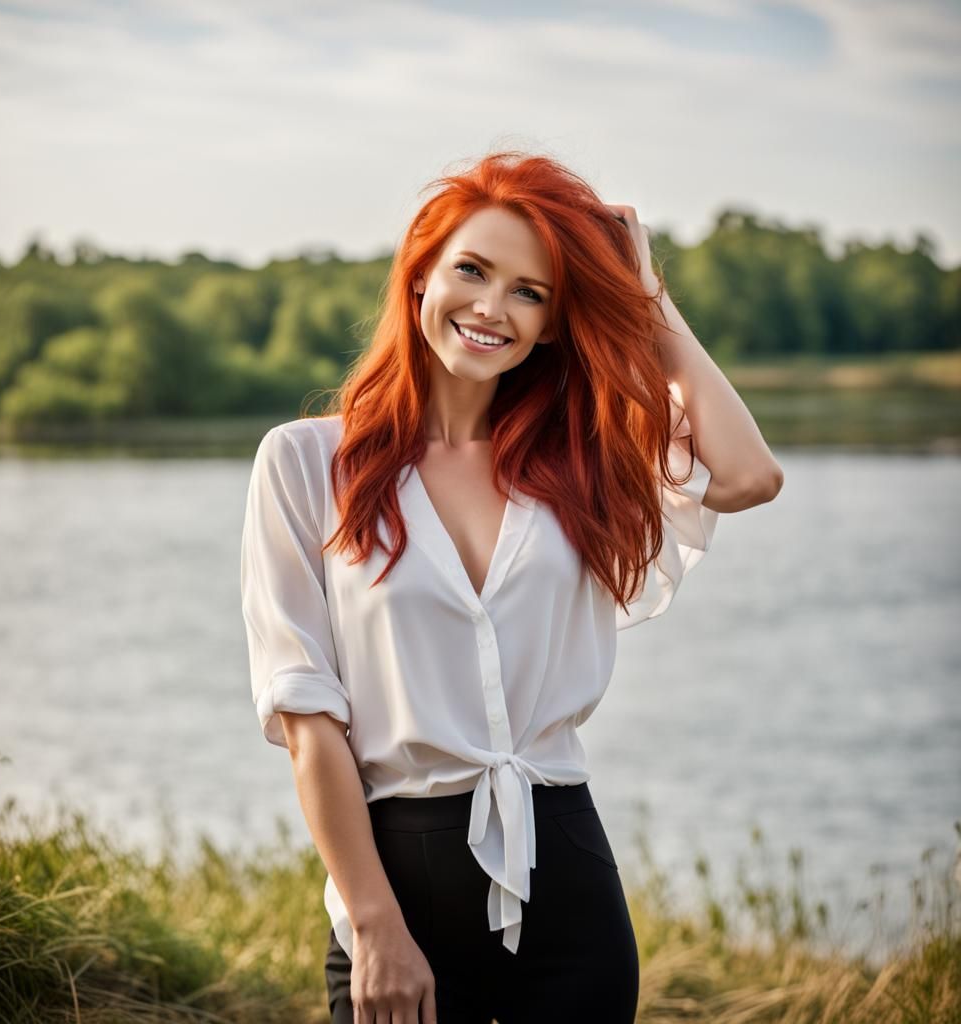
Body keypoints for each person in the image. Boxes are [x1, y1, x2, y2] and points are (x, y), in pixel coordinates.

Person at [240, 150, 783, 1024]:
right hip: (396, 886)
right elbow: (309, 720)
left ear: (553, 325)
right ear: (420, 276)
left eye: (530, 292)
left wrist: (645, 298)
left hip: (568, 878)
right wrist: (375, 927)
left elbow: (749, 475)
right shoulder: (306, 465)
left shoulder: (587, 462)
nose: (493, 308)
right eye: (473, 270)